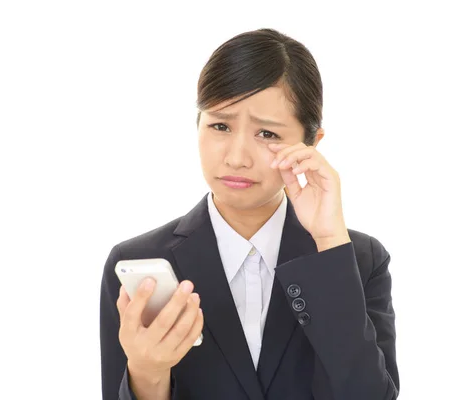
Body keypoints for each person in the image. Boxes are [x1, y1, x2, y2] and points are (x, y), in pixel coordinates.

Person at [100, 28, 399, 400]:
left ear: (311, 144)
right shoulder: (138, 262)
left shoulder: (357, 258)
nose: (237, 157)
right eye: (220, 126)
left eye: (268, 134)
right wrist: (147, 372)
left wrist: (329, 242)